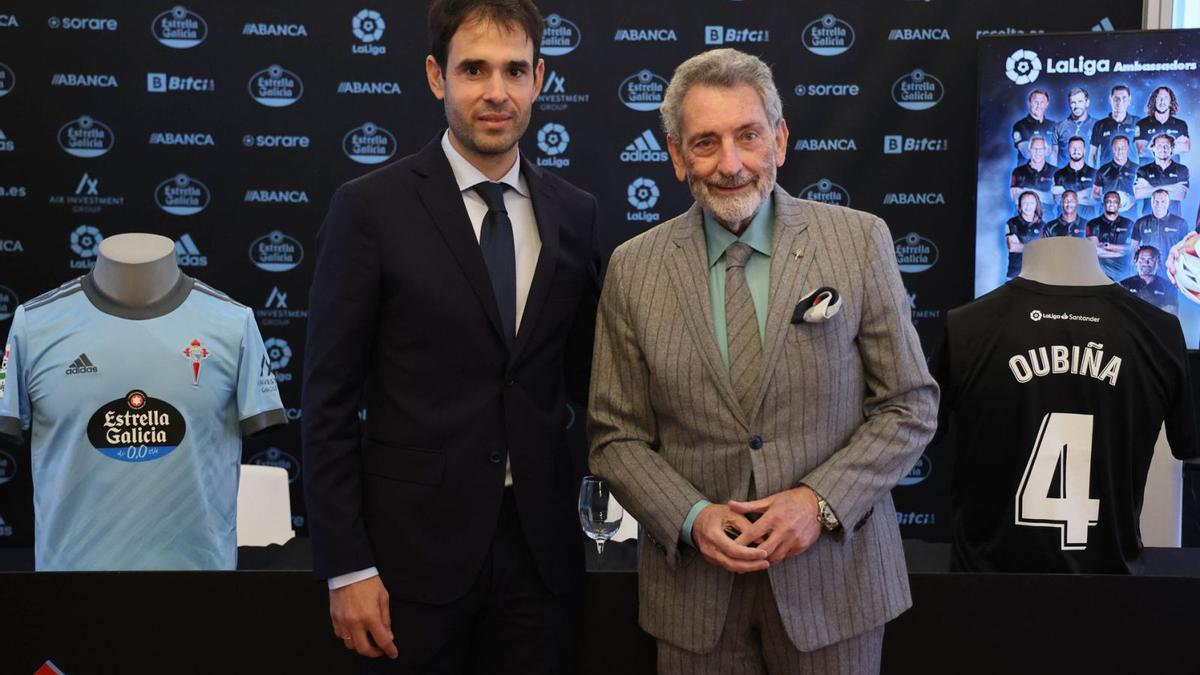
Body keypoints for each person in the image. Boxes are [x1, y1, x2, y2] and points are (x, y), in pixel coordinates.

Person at [588, 48, 938, 674]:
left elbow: (909, 405)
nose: (731, 164)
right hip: (694, 600)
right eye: (705, 143)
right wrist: (691, 519)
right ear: (674, 156)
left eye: (748, 136)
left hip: (835, 591)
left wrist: (817, 502)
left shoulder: (859, 241)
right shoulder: (632, 268)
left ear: (778, 138)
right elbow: (615, 438)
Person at [301, 1, 602, 671]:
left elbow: (590, 383)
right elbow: (326, 405)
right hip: (408, 564)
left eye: (514, 70)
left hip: (542, 560)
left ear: (540, 79)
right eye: (474, 69)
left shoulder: (575, 214)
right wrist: (346, 565)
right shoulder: (369, 209)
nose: (496, 92)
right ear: (437, 76)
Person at [1134, 134, 1189, 216]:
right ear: (1153, 148)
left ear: (1172, 149)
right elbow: (1138, 194)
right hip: (1148, 219)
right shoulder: (1143, 170)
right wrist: (1172, 188)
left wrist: (1149, 189)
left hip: (1174, 220)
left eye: (1166, 146)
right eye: (1159, 146)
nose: (1162, 149)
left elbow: (1181, 195)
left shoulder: (1182, 169)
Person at [1087, 190, 1135, 281]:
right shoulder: (1093, 224)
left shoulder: (1129, 224)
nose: (1111, 204)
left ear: (1119, 205)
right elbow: (1095, 251)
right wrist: (1121, 252)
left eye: (1115, 201)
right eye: (1108, 201)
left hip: (1124, 275)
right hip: (1101, 275)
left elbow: (1132, 248)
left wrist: (1108, 246)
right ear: (1104, 204)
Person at [1132, 189, 1189, 261]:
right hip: (1149, 268)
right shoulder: (1140, 223)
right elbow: (1134, 247)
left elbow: (1185, 247)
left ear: (1168, 202)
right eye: (1156, 201)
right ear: (1151, 202)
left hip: (1170, 268)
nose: (1159, 205)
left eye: (1163, 201)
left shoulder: (1180, 223)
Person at [1135, 85, 1190, 158]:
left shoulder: (1181, 124)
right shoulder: (1141, 124)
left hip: (1173, 168)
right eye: (1159, 98)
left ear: (1170, 102)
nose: (1162, 101)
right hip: (1149, 168)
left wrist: (1154, 147)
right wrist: (1173, 145)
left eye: (1166, 98)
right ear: (1154, 101)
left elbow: (1186, 147)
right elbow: (1141, 151)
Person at [1090, 84, 1138, 167]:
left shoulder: (1138, 123)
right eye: (1116, 99)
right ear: (1110, 99)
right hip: (1107, 175)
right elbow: (1092, 155)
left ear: (1129, 100)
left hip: (1131, 175)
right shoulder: (1100, 125)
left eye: (1124, 98)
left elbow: (1144, 152)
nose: (1120, 102)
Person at [1120, 245, 1177, 312]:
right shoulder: (1124, 285)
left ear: (1158, 263)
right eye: (1142, 259)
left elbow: (1172, 312)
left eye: (1150, 259)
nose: (1146, 263)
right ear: (1136, 261)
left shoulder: (1169, 287)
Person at [1052, 136, 1098, 219]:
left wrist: (1066, 195)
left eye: (1079, 148)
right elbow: (1058, 201)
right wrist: (1085, 194)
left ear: (1084, 150)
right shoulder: (1059, 174)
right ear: (1068, 150)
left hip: (1088, 222)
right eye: (1073, 148)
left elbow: (1097, 200)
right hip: (1064, 222)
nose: (1076, 151)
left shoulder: (1095, 174)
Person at [1006, 191, 1046, 278]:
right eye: (1025, 203)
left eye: (1031, 203)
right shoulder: (1011, 223)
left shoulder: (1043, 225)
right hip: (1015, 273)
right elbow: (1012, 247)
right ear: (1020, 205)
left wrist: (1022, 246)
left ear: (1036, 205)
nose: (1028, 206)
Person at [1013, 89, 1057, 165]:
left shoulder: (1053, 125)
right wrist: (1052, 150)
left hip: (1048, 174)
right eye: (1036, 102)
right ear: (1029, 103)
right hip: (1026, 173)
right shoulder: (1020, 125)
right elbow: (1027, 153)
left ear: (1047, 104)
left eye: (1042, 102)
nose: (1039, 106)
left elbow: (1059, 153)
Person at [1093, 135, 1137, 215]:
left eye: (1123, 148)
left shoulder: (1137, 169)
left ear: (1128, 148)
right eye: (1117, 148)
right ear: (1113, 149)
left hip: (1130, 214)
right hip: (1108, 214)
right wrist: (1107, 200)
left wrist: (1132, 200)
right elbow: (1095, 193)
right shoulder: (1103, 170)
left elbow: (1142, 191)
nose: (1120, 151)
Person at [1010, 136, 1056, 209]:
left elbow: (1055, 200)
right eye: (1034, 149)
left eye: (1041, 149)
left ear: (1045, 151)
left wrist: (1027, 191)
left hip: (1046, 217)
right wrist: (1045, 195)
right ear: (1029, 150)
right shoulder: (1018, 171)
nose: (1037, 152)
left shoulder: (1055, 171)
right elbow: (1015, 198)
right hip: (1022, 217)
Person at [1055, 87, 1096, 165]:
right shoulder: (1059, 126)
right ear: (1069, 104)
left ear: (1087, 103)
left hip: (1089, 175)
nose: (1077, 106)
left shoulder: (1098, 126)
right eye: (1073, 102)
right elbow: (1054, 154)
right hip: (1064, 175)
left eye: (1080, 101)